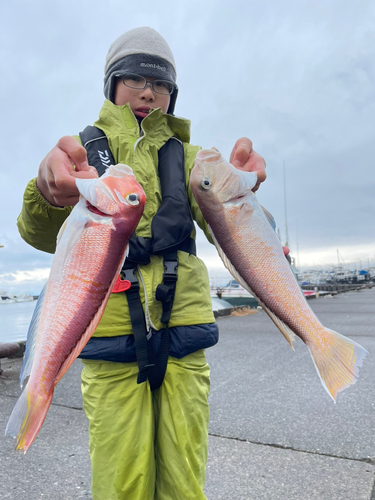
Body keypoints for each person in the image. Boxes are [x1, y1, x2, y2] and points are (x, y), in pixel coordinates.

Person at [17, 27, 267, 500]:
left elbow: (230, 230)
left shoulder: (192, 158)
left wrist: (244, 187)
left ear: (173, 95)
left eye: (162, 84)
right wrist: (46, 192)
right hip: (109, 338)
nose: (148, 92)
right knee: (120, 480)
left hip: (184, 335)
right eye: (133, 78)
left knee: (184, 475)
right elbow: (38, 233)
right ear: (111, 85)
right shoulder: (80, 155)